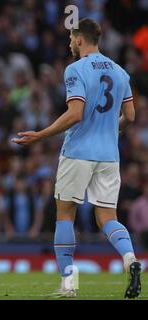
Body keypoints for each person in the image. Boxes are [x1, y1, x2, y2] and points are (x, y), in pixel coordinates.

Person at [12, 18, 141, 299]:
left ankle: (69, 283)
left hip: (78, 152)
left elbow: (75, 113)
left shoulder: (75, 69)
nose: (70, 43)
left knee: (65, 215)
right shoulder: (120, 72)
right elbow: (130, 117)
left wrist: (41, 135)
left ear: (80, 39)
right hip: (109, 156)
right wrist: (109, 129)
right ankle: (130, 258)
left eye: (71, 39)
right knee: (107, 217)